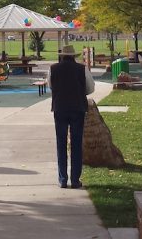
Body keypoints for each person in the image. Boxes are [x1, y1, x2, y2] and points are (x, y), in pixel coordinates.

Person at [49, 44, 94, 189]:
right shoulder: (82, 69)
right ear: (74, 56)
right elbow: (90, 88)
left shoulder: (53, 69)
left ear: (62, 55)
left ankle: (63, 179)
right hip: (77, 108)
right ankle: (75, 179)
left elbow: (51, 85)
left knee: (61, 144)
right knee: (76, 144)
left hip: (60, 108)